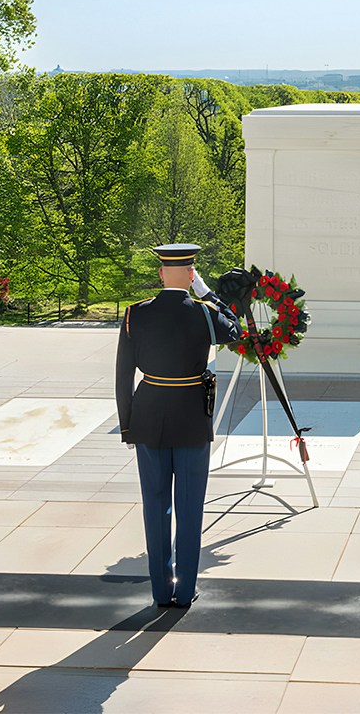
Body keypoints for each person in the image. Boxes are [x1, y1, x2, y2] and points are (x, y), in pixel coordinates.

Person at [115, 243, 242, 608]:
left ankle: (160, 590)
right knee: (190, 508)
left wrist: (127, 426)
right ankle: (185, 591)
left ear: (159, 273)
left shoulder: (135, 314)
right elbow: (234, 328)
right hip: (191, 418)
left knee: (155, 507)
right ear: (191, 274)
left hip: (149, 417)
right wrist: (207, 293)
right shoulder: (204, 314)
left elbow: (124, 374)